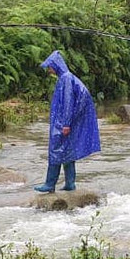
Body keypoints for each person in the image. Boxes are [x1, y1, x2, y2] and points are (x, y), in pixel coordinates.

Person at [35, 50, 101, 193]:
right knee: (67, 150)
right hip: (65, 121)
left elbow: (68, 102)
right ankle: (70, 183)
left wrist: (66, 123)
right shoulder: (67, 77)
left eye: (50, 67)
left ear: (56, 65)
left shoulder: (65, 78)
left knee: (56, 150)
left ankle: (50, 184)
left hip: (63, 123)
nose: (49, 70)